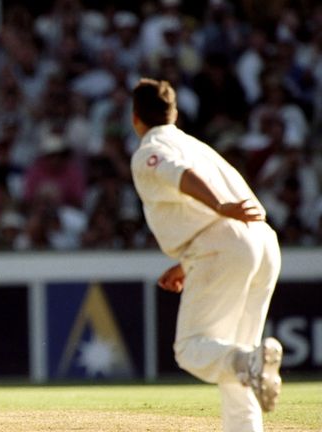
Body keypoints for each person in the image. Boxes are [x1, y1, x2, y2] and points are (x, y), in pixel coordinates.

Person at [129, 78, 283, 432]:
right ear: (175, 113)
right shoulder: (196, 144)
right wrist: (187, 263)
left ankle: (250, 361)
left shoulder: (149, 149)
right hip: (262, 242)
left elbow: (177, 174)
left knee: (193, 349)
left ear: (135, 117)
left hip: (225, 241)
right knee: (235, 360)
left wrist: (220, 206)